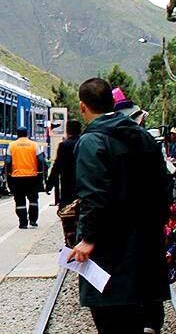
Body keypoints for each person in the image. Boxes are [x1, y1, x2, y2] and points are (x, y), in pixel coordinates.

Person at [67, 78, 170, 334]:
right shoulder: (144, 138)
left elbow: (94, 196)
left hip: (110, 251)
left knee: (112, 320)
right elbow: (166, 185)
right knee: (138, 318)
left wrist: (89, 238)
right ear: (113, 103)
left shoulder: (92, 142)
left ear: (83, 106)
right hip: (147, 243)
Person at [46, 119, 81, 247]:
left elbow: (57, 166)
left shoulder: (64, 145)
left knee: (68, 215)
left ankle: (70, 241)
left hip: (67, 187)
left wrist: (49, 183)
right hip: (82, 185)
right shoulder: (84, 143)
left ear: (68, 130)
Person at [6, 126, 46, 228]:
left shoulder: (11, 146)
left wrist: (9, 175)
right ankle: (33, 220)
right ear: (27, 133)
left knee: (19, 200)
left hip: (17, 177)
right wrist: (40, 173)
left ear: (17, 134)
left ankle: (23, 223)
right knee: (33, 200)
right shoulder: (34, 145)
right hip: (32, 176)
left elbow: (8, 162)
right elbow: (41, 160)